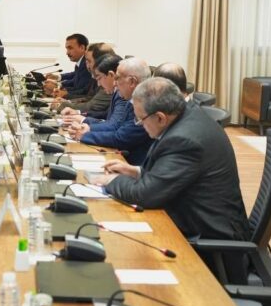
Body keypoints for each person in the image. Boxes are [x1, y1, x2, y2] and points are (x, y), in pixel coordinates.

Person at [94, 77, 251, 242]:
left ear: (160, 118)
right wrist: (135, 171)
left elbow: (144, 195)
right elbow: (170, 174)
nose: (140, 125)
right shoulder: (186, 115)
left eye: (140, 120)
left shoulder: (184, 140)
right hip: (191, 216)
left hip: (207, 235)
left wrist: (111, 180)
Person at [65, 56, 153, 165]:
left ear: (132, 81)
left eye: (117, 78)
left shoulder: (146, 105)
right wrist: (87, 128)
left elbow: (121, 138)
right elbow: (117, 127)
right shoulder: (132, 100)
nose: (114, 83)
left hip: (132, 166)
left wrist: (85, 134)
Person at [53, 42, 116, 116]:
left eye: (89, 61)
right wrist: (68, 102)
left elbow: (92, 106)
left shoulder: (109, 80)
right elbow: (89, 97)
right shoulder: (98, 76)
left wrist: (64, 105)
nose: (87, 65)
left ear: (101, 61)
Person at [44, 33, 92, 98]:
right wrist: (58, 83)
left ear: (82, 47)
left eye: (70, 48)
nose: (67, 53)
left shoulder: (87, 65)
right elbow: (75, 79)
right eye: (67, 49)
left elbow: (82, 90)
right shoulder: (80, 63)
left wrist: (58, 88)